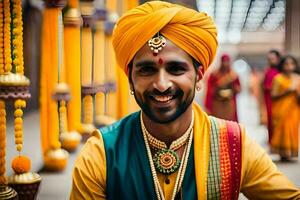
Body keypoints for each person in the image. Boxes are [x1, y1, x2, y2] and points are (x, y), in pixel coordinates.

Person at [70, 2, 300, 199]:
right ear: (130, 78)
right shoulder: (102, 152)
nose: (161, 84)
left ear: (199, 76)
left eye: (176, 69)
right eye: (147, 70)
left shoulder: (233, 144)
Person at [271, 55, 300, 161]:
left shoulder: (298, 79)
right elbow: (273, 96)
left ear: (295, 65)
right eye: (286, 64)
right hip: (281, 110)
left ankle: (291, 151)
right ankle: (283, 153)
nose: (289, 66)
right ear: (282, 65)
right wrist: (287, 91)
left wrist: (296, 92)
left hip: (294, 110)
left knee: (292, 129)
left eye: (292, 64)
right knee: (282, 130)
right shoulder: (278, 79)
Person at [204, 54, 241, 121]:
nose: (225, 64)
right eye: (224, 61)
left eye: (227, 61)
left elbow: (238, 88)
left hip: (229, 104)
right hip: (217, 103)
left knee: (229, 123)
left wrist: (233, 87)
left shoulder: (233, 75)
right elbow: (210, 90)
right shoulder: (214, 74)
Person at [263, 50, 281, 143]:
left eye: (273, 59)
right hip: (270, 100)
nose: (271, 61)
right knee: (271, 120)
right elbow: (265, 86)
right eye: (269, 59)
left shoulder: (281, 71)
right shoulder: (268, 71)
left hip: (281, 100)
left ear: (278, 59)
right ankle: (272, 142)